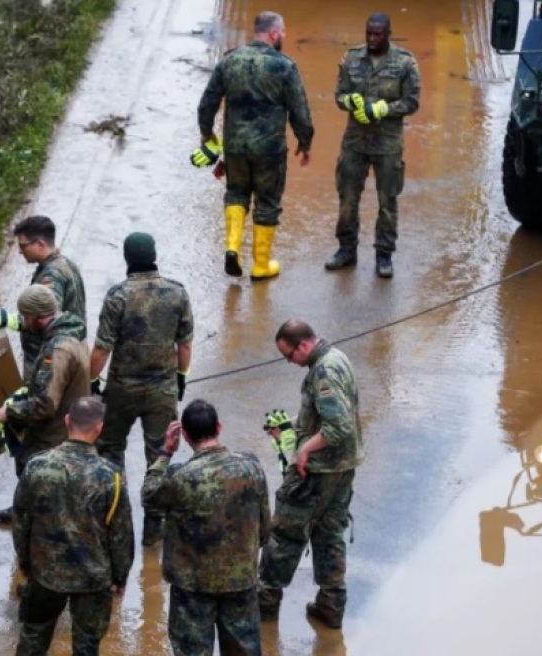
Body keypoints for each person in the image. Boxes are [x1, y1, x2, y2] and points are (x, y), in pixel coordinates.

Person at [142, 399, 270, 656]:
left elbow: (149, 496)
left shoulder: (181, 477)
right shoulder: (252, 468)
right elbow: (264, 527)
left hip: (193, 586)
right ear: (219, 427)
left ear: (185, 435)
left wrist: (165, 452)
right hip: (240, 580)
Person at [258, 320, 363, 629]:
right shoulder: (337, 358)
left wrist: (304, 451)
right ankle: (331, 605)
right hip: (342, 468)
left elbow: (338, 427)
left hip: (317, 470)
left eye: (288, 355)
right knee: (330, 534)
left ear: (303, 345)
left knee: (285, 535)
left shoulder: (323, 372)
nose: (289, 361)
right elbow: (327, 414)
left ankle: (264, 603)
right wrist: (289, 426)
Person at [90, 232, 193, 546]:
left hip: (121, 389)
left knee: (110, 447)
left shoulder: (118, 296)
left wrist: (92, 380)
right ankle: (153, 523)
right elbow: (185, 344)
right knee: (159, 453)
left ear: (127, 259)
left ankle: (114, 511)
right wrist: (180, 376)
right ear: (154, 256)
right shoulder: (177, 293)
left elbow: (102, 348)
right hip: (161, 389)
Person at [196, 11, 314, 280]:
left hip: (235, 146)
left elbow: (207, 104)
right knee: (267, 201)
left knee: (236, 193)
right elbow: (300, 110)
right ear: (273, 33)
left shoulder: (229, 61)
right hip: (269, 149)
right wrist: (305, 141)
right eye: (282, 32)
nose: (284, 36)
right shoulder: (284, 66)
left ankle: (232, 248)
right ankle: (261, 265)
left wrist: (207, 135)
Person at [12, 396, 134, 656]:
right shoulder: (111, 476)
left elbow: (21, 520)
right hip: (93, 577)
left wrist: (25, 561)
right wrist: (120, 577)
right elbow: (121, 534)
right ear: (99, 428)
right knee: (87, 645)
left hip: (45, 572)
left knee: (33, 637)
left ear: (67, 421)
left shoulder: (36, 466)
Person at [324, 12, 421, 278]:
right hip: (355, 142)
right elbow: (340, 94)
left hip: (388, 144)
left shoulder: (404, 62)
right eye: (368, 33)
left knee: (387, 201)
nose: (371, 38)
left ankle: (384, 255)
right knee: (347, 198)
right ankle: (346, 250)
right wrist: (349, 102)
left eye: (377, 34)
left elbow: (412, 101)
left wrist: (383, 109)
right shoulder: (352, 58)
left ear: (388, 34)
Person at [0, 285, 91, 524]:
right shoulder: (73, 335)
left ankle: (34, 521)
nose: (24, 322)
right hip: (70, 425)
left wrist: (9, 412)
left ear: (37, 317)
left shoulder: (57, 350)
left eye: (25, 317)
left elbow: (45, 405)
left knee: (45, 496)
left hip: (53, 436)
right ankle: (26, 509)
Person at [0, 215, 86, 377]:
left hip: (47, 359)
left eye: (23, 246)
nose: (20, 251)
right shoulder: (65, 264)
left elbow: (47, 317)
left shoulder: (51, 276)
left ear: (40, 244)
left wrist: (9, 319)